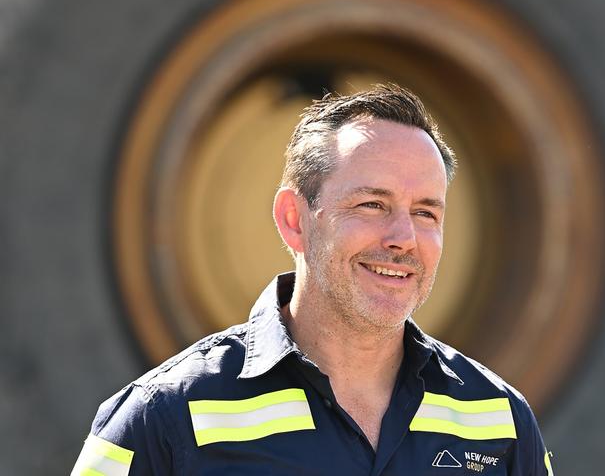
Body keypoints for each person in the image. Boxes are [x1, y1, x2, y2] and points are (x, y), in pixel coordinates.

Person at [72, 84, 554, 475]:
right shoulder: (165, 416)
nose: (404, 237)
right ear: (294, 219)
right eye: (372, 205)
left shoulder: (499, 423)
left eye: (426, 212)